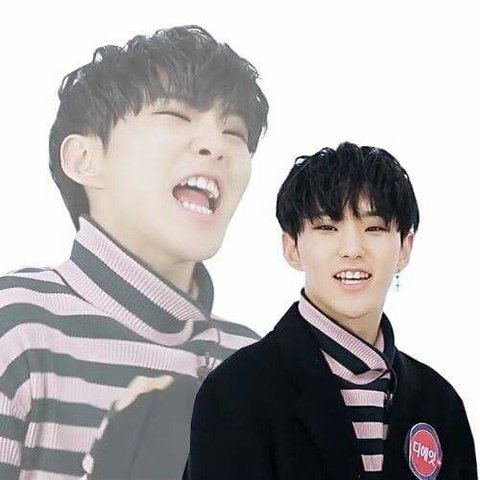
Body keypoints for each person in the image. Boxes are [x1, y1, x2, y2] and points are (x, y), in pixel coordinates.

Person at [0, 25, 268, 479]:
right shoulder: (16, 327)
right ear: (85, 160)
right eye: (176, 115)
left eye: (235, 132)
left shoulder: (253, 365)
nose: (216, 145)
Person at [184, 142, 477, 480]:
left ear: (404, 248)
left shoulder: (439, 403)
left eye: (375, 228)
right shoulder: (236, 392)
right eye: (327, 227)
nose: (352, 249)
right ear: (292, 247)